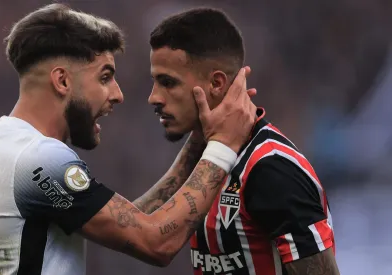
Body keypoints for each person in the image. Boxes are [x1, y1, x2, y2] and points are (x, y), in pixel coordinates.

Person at [0, 4, 257, 275]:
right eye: (104, 77)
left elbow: (132, 221)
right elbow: (155, 242)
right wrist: (222, 145)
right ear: (62, 81)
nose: (118, 94)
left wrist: (198, 142)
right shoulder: (40, 158)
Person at [134, 8, 340, 275]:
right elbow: (138, 227)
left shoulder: (271, 168)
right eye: (154, 82)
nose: (154, 97)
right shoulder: (205, 162)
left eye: (168, 82)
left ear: (217, 83)